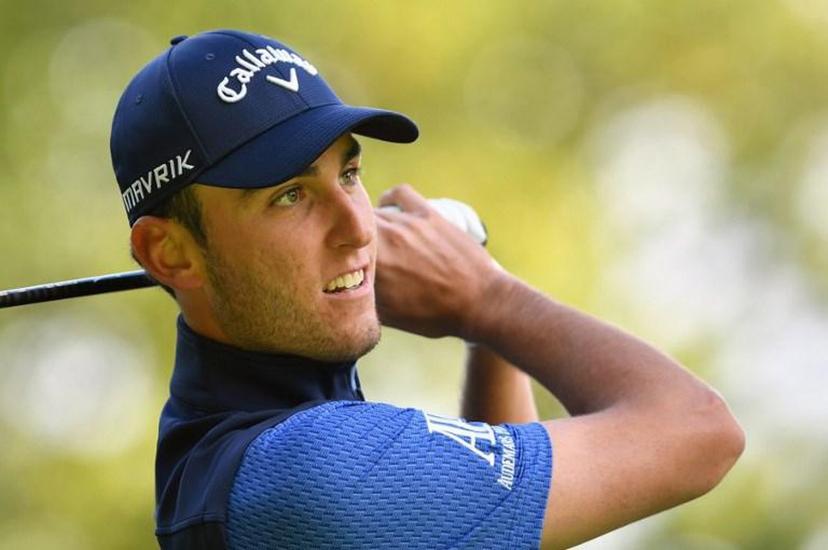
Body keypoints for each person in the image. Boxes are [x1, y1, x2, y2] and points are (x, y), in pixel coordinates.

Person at [111, 29, 745, 549]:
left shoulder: (221, 460)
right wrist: (484, 297)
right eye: (291, 195)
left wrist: (486, 329)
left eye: (350, 172)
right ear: (169, 253)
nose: (358, 228)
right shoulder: (311, 473)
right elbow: (696, 430)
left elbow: (498, 528)